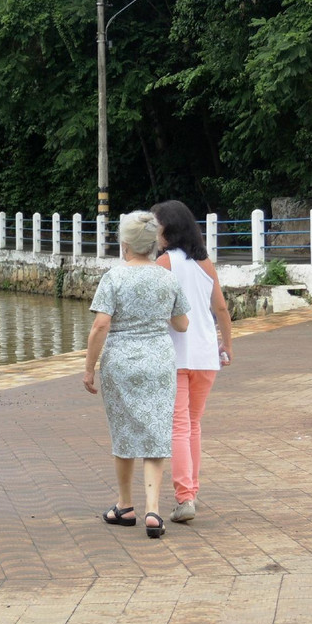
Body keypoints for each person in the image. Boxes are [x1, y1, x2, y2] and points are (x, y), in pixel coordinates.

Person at [83, 211, 190, 539]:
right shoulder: (167, 278)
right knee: (156, 430)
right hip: (158, 362)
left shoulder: (113, 278)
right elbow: (182, 323)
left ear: (125, 244)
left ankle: (125, 505)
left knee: (124, 432)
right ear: (154, 244)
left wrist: (89, 368)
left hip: (122, 364)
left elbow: (101, 325)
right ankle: (153, 510)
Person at [151, 200, 233, 523]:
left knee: (179, 425)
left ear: (169, 230)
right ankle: (192, 493)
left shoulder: (165, 263)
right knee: (193, 425)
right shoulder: (206, 264)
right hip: (206, 356)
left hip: (177, 355)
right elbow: (222, 310)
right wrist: (226, 344)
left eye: (156, 226)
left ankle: (185, 498)